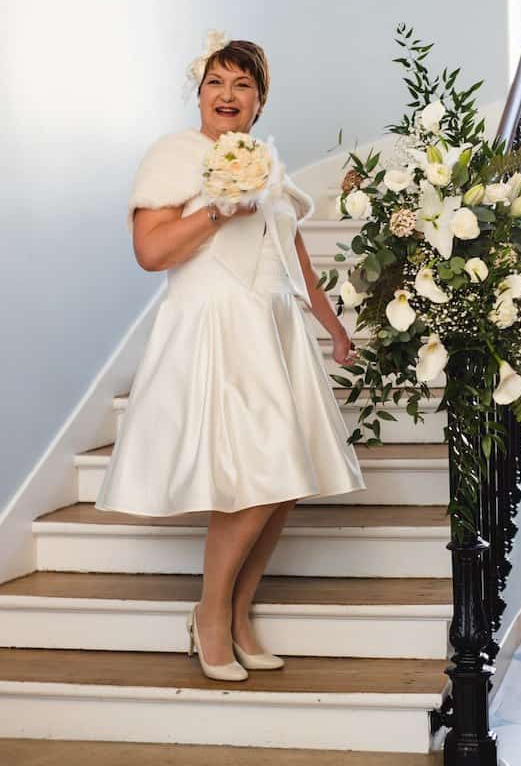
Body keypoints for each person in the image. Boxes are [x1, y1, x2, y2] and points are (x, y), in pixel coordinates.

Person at [96, 35, 367, 681]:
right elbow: (151, 252)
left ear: (260, 101)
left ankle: (239, 615)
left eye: (243, 85)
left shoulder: (266, 162)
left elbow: (292, 255)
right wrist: (220, 210)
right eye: (216, 82)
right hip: (216, 325)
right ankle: (210, 615)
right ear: (199, 94)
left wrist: (332, 327)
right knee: (255, 480)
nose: (228, 94)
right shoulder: (174, 154)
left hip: (273, 327)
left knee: (283, 487)